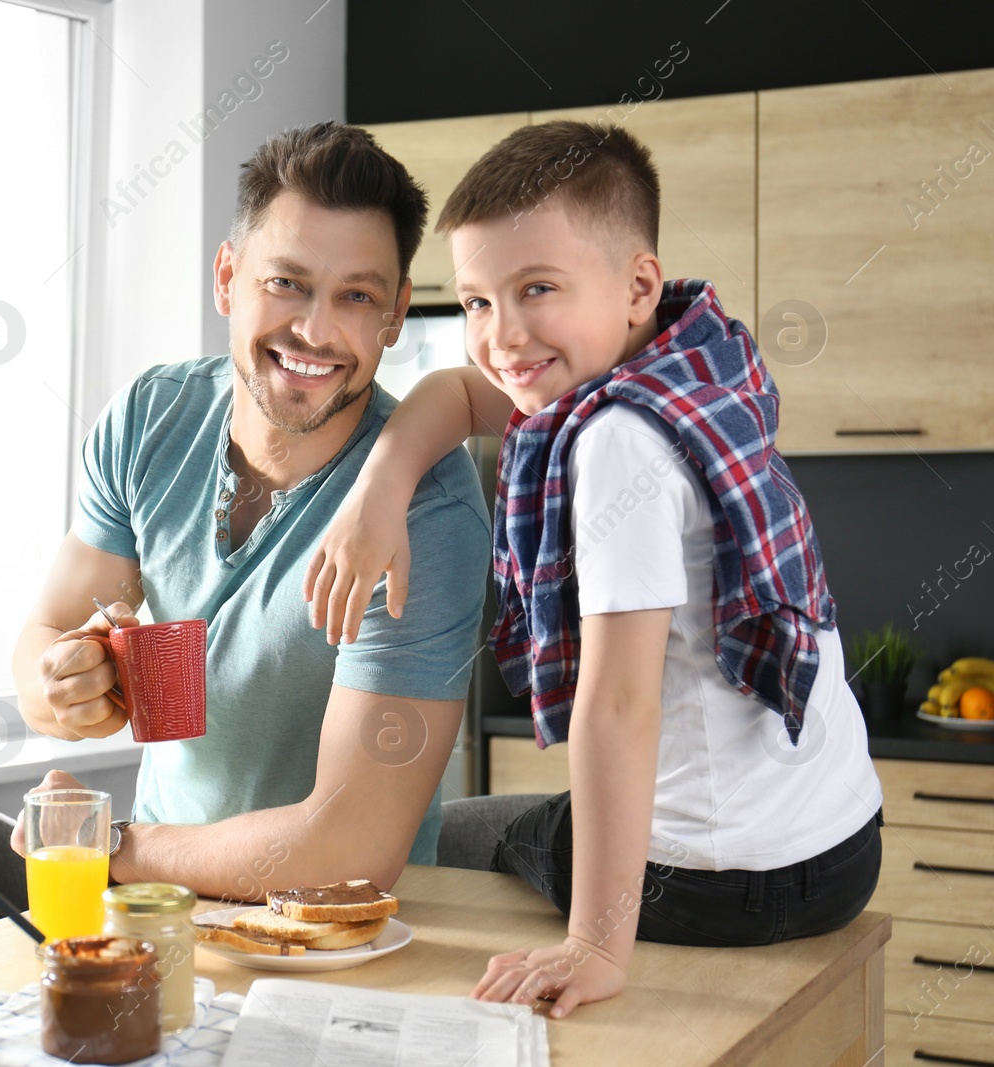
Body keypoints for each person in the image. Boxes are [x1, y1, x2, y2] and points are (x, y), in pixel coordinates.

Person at [305, 120, 884, 1017]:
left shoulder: (617, 441)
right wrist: (378, 490)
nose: (502, 337)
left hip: (720, 880)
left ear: (637, 283)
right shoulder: (694, 357)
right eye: (476, 302)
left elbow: (617, 703)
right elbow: (460, 392)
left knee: (431, 841)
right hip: (841, 844)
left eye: (537, 288)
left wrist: (594, 945)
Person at [8, 122, 492, 900]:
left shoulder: (427, 509)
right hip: (154, 918)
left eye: (357, 296)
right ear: (228, 277)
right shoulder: (149, 417)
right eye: (286, 282)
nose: (315, 329)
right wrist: (63, 685)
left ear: (396, 313)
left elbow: (350, 847)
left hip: (338, 945)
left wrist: (110, 844)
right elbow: (44, 637)